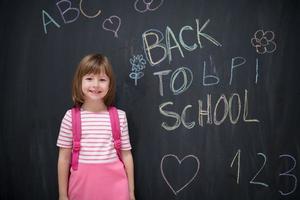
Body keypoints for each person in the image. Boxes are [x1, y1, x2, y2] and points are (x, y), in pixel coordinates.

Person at [57, 53, 135, 200]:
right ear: (79, 82)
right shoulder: (70, 117)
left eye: (102, 79)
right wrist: (62, 194)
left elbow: (126, 155)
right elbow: (64, 158)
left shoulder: (119, 117)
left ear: (110, 84)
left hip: (116, 190)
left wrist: (131, 193)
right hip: (81, 190)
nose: (96, 85)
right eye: (89, 78)